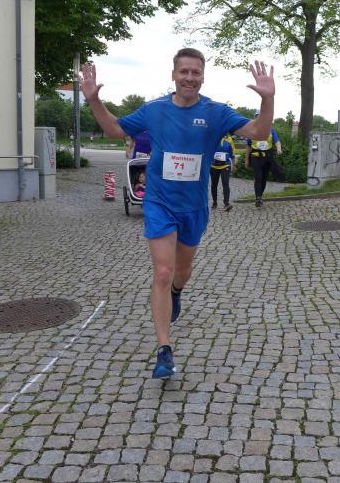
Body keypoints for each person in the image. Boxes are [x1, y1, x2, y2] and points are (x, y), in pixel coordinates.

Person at [80, 48, 274, 378]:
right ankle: (164, 350)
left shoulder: (215, 112)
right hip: (159, 202)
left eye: (195, 72)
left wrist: (267, 99)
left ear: (203, 77)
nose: (189, 77)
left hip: (193, 207)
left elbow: (259, 133)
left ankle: (176, 293)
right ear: (173, 75)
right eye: (184, 71)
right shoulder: (154, 110)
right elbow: (114, 129)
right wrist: (94, 100)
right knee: (162, 271)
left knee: (181, 273)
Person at [245, 117, 282, 207]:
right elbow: (248, 147)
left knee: (264, 178)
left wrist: (279, 148)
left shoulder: (271, 129)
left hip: (267, 157)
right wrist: (247, 160)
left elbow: (277, 141)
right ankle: (258, 198)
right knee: (258, 177)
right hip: (256, 157)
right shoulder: (252, 131)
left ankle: (260, 196)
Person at [210, 133, 236, 211]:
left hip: (225, 165)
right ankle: (214, 202)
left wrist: (234, 165)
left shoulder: (229, 139)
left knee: (225, 183)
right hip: (214, 165)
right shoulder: (212, 137)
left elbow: (232, 153)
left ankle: (226, 203)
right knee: (214, 184)